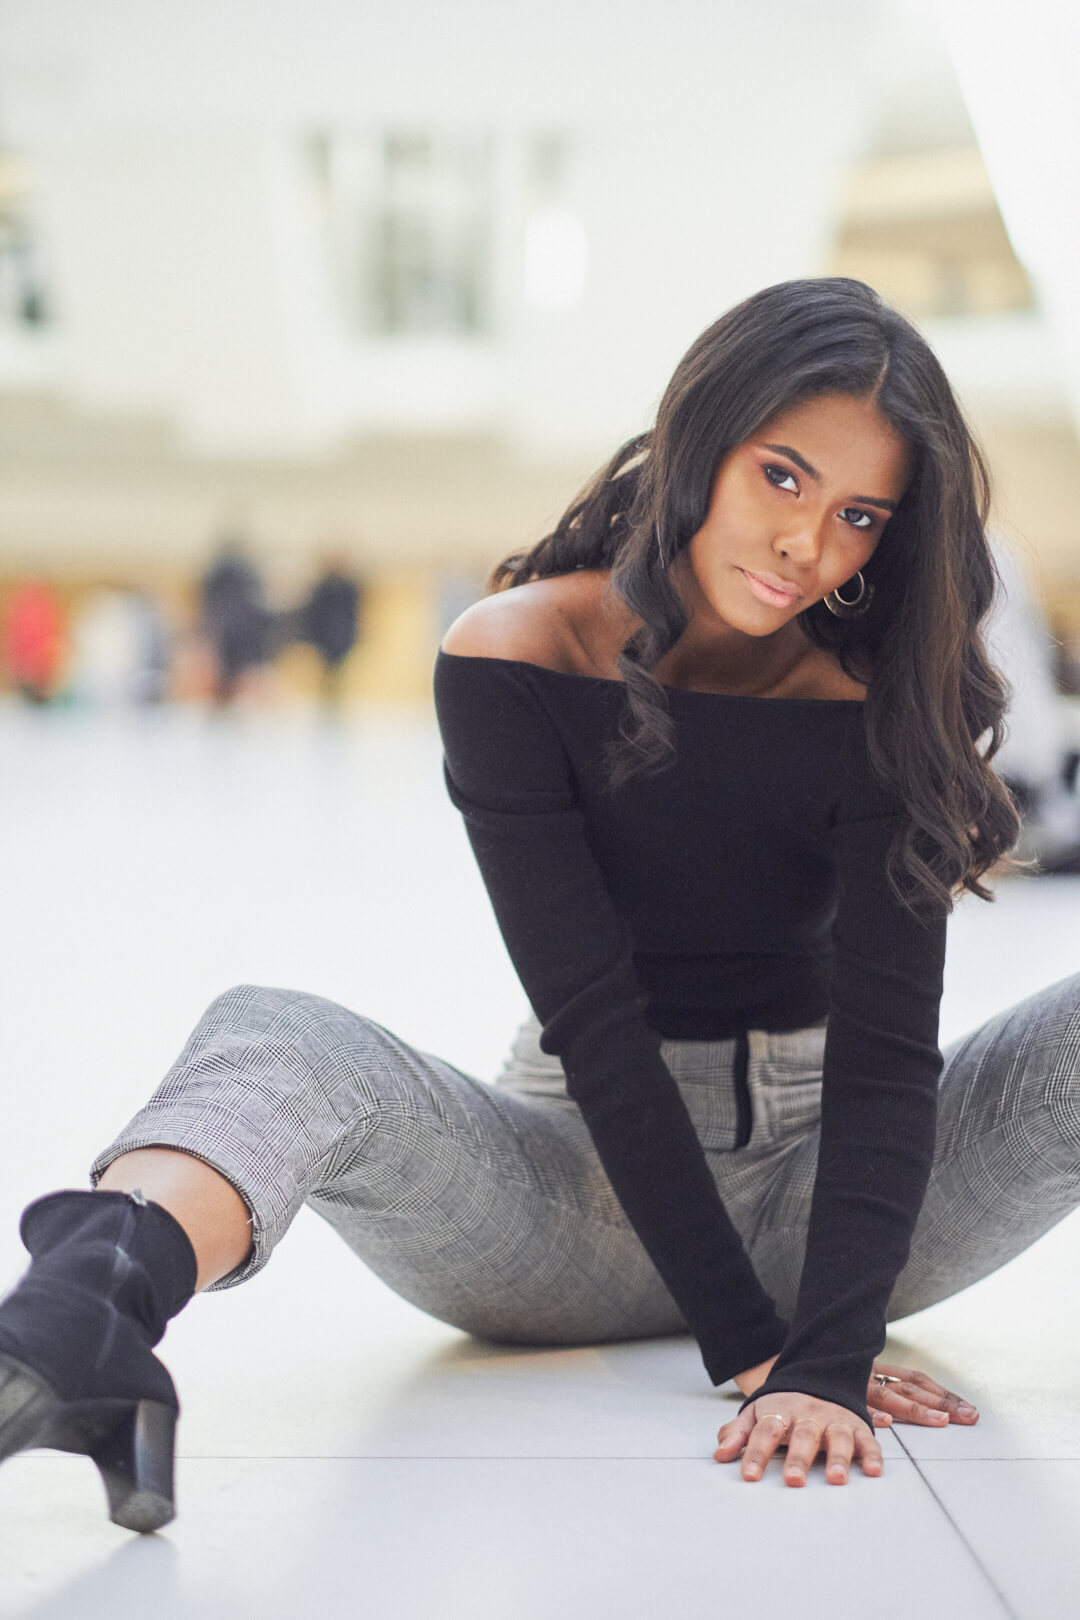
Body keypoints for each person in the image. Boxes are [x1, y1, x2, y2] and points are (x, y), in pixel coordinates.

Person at [4, 277, 1078, 1533]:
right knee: (278, 1032)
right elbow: (594, 1019)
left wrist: (827, 1352)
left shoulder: (878, 690)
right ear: (701, 435)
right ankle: (79, 1316)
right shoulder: (513, 656)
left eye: (857, 515)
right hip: (569, 1199)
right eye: (781, 478)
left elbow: (892, 1062)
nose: (808, 544)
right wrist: (752, 1346)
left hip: (841, 1200)